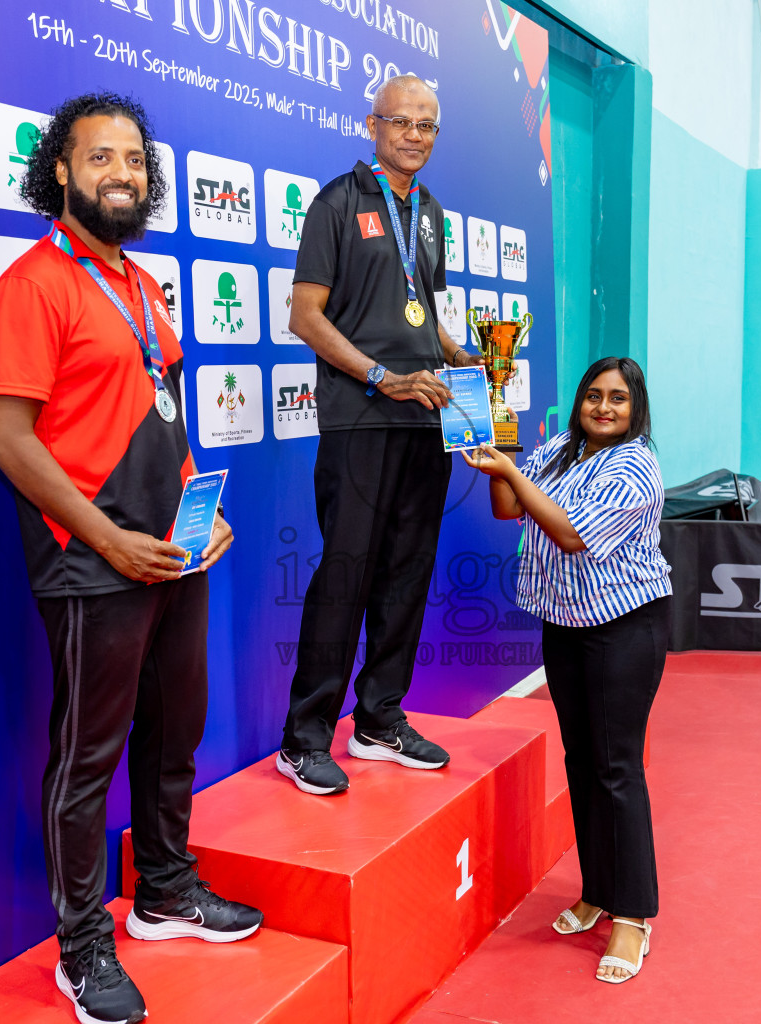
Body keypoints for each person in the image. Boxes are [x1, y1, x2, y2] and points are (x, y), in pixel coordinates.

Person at [0, 92, 261, 1024]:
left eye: (135, 160)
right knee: (86, 756)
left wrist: (196, 509)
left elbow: (160, 414)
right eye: (100, 158)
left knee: (175, 728)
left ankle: (167, 894)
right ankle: (81, 946)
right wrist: (107, 538)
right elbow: (11, 442)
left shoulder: (141, 285)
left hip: (170, 551)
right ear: (60, 169)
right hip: (90, 559)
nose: (122, 175)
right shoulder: (33, 283)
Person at [275, 75, 482, 795]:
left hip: (428, 417)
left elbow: (421, 307)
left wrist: (454, 353)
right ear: (373, 125)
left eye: (429, 125)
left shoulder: (431, 212)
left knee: (408, 572)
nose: (417, 135)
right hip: (362, 416)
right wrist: (377, 376)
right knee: (346, 574)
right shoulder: (337, 202)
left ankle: (379, 720)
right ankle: (304, 740)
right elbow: (306, 318)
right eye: (403, 122)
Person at [464, 357, 673, 984]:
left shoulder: (636, 464)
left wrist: (513, 476)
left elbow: (573, 534)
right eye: (592, 396)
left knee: (616, 769)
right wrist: (497, 454)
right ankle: (598, 890)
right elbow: (508, 510)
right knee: (581, 762)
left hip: (624, 626)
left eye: (617, 398)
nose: (603, 407)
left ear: (635, 407)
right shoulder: (560, 448)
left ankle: (633, 916)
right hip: (566, 623)